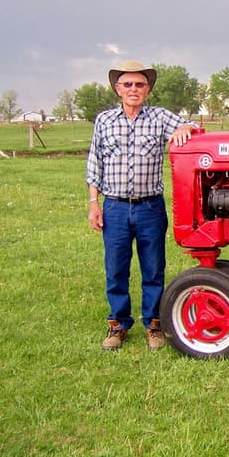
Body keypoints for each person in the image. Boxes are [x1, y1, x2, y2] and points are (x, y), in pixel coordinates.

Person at [86, 60, 196, 351]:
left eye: (140, 84)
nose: (134, 89)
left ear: (147, 89)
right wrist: (94, 203)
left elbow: (194, 129)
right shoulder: (104, 121)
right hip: (115, 207)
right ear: (118, 88)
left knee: (153, 267)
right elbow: (94, 163)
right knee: (116, 268)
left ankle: (154, 325)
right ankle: (118, 325)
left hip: (150, 208)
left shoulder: (159, 117)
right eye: (128, 84)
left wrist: (185, 128)